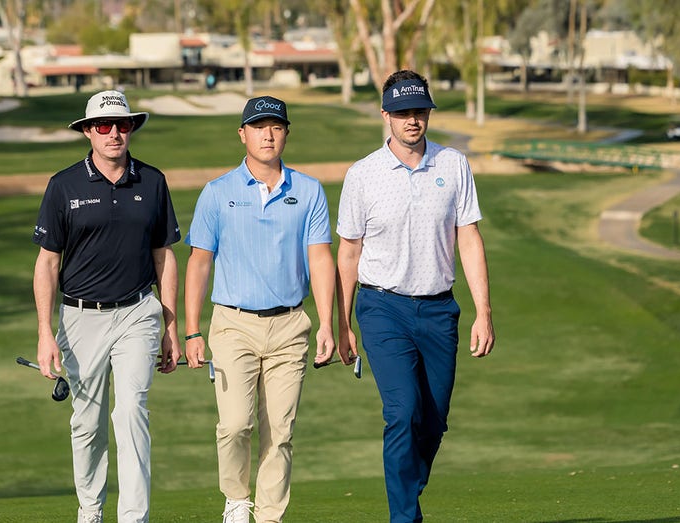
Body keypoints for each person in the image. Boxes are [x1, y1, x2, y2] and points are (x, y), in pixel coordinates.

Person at [335, 70, 495, 523]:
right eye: (403, 112)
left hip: (440, 308)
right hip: (382, 306)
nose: (412, 120)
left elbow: (469, 238)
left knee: (434, 418)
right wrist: (342, 323)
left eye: (419, 111)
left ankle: (408, 494)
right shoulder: (363, 175)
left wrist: (484, 312)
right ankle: (403, 517)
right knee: (403, 411)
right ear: (386, 115)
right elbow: (348, 253)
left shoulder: (453, 164)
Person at [183, 96, 336, 523]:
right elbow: (199, 261)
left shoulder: (308, 191)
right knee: (235, 425)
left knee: (280, 432)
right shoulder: (217, 193)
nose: (267, 135)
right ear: (243, 134)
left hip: (290, 325)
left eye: (276, 126)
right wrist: (192, 330)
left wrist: (328, 324)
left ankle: (270, 516)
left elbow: (321, 259)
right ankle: (235, 497)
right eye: (258, 127)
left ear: (286, 132)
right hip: (232, 324)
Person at [32, 90, 182, 523]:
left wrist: (170, 325)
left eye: (122, 125)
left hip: (138, 311)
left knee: (131, 411)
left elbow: (164, 256)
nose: (114, 133)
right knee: (88, 423)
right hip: (80, 317)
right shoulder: (64, 185)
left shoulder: (152, 181)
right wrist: (45, 332)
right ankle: (91, 512)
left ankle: (134, 517)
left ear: (131, 128)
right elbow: (47, 262)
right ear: (87, 132)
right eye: (103, 126)